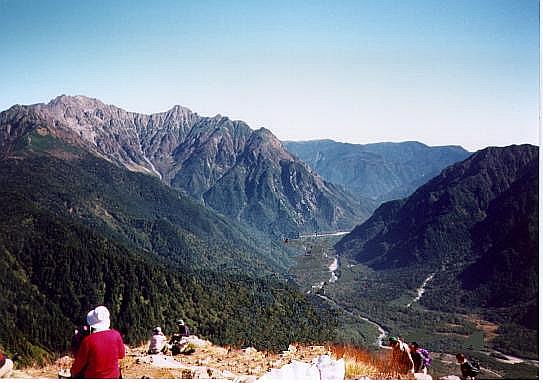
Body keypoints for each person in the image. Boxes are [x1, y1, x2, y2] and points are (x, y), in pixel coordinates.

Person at [70, 306, 125, 379]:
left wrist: (72, 372)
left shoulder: (88, 340)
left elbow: (79, 364)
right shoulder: (116, 335)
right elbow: (121, 355)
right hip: (114, 376)